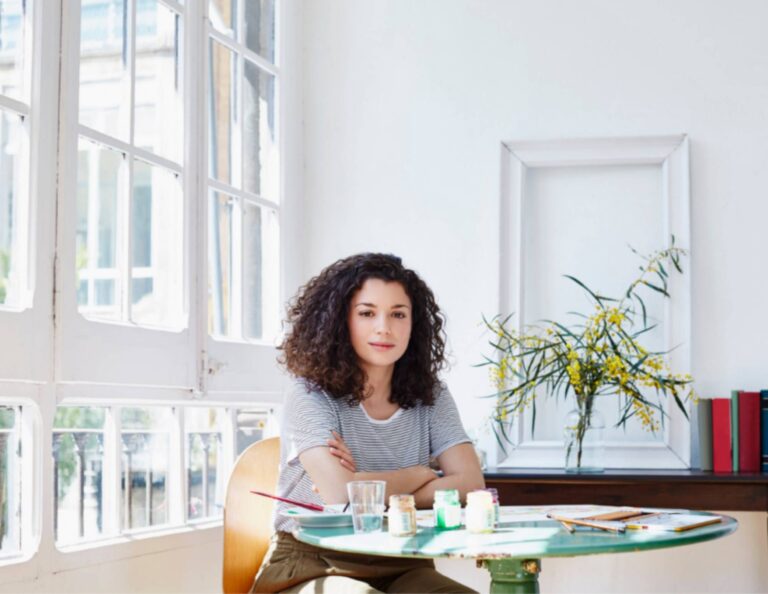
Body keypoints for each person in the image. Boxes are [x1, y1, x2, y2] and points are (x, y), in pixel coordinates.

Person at [252, 253, 484, 594]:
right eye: (366, 313)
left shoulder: (431, 394)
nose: (384, 328)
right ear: (339, 321)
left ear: (414, 324)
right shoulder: (309, 395)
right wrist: (420, 475)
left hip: (403, 562)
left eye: (398, 314)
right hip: (311, 563)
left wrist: (363, 484)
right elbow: (338, 495)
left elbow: (470, 483)